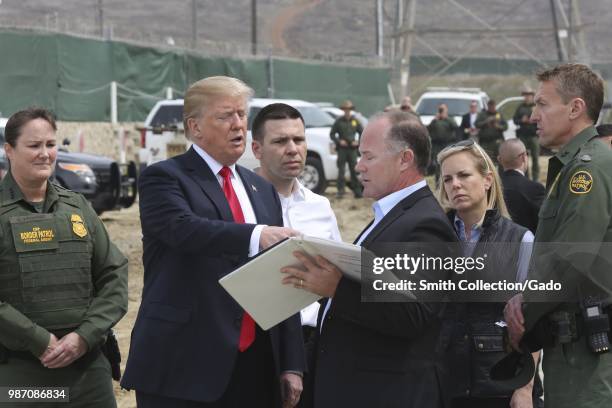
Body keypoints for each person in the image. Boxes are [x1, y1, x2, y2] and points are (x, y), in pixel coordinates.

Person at [121, 76, 306, 408]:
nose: (238, 125)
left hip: (255, 363)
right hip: (185, 364)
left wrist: (292, 362)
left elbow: (281, 277)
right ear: (195, 127)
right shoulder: (164, 177)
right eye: (225, 116)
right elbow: (184, 229)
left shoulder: (261, 188)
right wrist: (256, 235)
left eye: (242, 114)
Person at [282, 111, 458, 407]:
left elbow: (413, 315)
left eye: (368, 157)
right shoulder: (391, 215)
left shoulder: (425, 224)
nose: (359, 166)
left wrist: (337, 288)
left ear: (404, 159)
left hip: (385, 392)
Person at [0, 107, 128, 407]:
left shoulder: (77, 206)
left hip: (87, 372)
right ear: (9, 150)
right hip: (21, 374)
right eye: (33, 146)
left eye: (50, 144)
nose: (45, 154)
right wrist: (39, 341)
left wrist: (83, 337)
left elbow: (115, 274)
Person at [504, 63, 612, 408]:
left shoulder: (588, 170)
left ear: (575, 108)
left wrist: (524, 309)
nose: (534, 116)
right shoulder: (576, 165)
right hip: (571, 345)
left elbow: (570, 257)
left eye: (543, 104)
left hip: (586, 353)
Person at [436, 139, 539, 408]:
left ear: (487, 180)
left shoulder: (520, 239)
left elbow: (535, 318)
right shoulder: (433, 239)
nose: (455, 184)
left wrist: (525, 389)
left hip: (500, 385)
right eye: (447, 179)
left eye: (464, 175)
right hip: (445, 385)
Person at [250, 102, 342, 332]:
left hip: (312, 338)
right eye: (280, 141)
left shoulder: (320, 207)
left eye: (299, 140)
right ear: (256, 149)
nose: (292, 149)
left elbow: (336, 273)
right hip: (258, 340)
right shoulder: (239, 204)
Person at [498, 138, 546, 233]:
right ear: (524, 157)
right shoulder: (534, 188)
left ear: (499, 160)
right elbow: (544, 225)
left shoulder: (492, 188)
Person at [329, 100, 363, 198]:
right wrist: (339, 141)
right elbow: (332, 134)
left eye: (349, 109)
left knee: (354, 170)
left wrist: (358, 142)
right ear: (343, 110)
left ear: (351, 110)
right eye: (345, 109)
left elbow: (362, 132)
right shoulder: (339, 121)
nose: (347, 111)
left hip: (352, 149)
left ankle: (357, 192)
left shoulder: (355, 120)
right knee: (341, 171)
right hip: (342, 149)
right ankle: (340, 191)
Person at [513, 87, 540, 181]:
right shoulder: (520, 107)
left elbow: (541, 118)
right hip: (523, 136)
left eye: (529, 95)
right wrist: (522, 120)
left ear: (532, 96)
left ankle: (536, 179)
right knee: (524, 159)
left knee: (535, 158)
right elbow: (515, 120)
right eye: (525, 95)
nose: (527, 97)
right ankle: (526, 178)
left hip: (534, 136)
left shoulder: (537, 106)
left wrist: (532, 120)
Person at [428, 103, 459, 179]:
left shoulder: (450, 119)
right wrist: (434, 120)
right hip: (436, 145)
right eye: (440, 109)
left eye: (443, 109)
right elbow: (428, 130)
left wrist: (446, 118)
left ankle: (448, 179)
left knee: (447, 163)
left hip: (446, 144)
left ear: (446, 110)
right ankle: (438, 183)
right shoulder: (435, 120)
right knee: (438, 164)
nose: (441, 111)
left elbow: (455, 127)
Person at [476, 100, 507, 164]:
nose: (492, 108)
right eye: (490, 106)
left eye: (493, 106)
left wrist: (498, 126)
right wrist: (486, 122)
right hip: (485, 142)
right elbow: (477, 124)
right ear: (488, 106)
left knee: (500, 160)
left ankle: (500, 174)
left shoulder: (499, 114)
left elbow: (505, 126)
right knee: (486, 161)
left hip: (497, 141)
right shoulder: (483, 114)